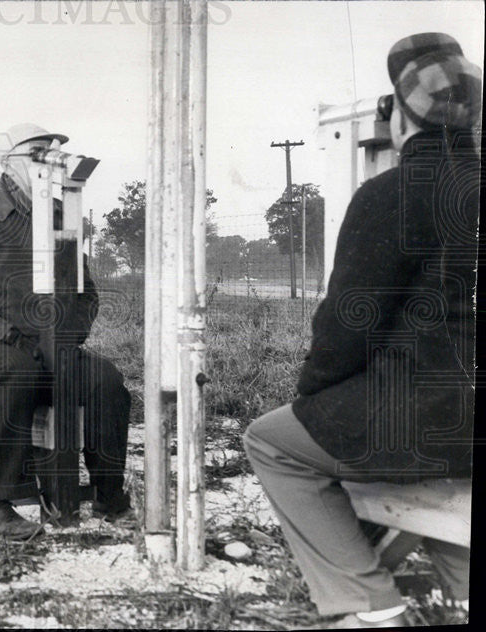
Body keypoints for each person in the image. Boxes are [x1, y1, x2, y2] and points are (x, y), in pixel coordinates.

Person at [243, 33, 479, 629]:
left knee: (274, 440)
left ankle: (371, 606)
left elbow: (349, 325)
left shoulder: (391, 194)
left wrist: (314, 393)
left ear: (398, 117)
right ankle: (459, 595)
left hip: (426, 414)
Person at [0, 123, 132, 540]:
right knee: (16, 369)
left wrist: (69, 335)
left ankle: (108, 494)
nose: (51, 161)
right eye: (38, 152)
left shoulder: (62, 213)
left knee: (106, 380)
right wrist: (6, 333)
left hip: (50, 347)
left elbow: (86, 291)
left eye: (55, 153)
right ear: (9, 163)